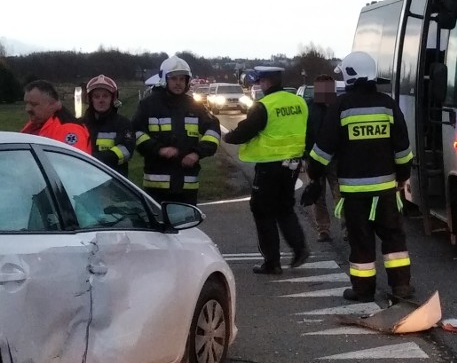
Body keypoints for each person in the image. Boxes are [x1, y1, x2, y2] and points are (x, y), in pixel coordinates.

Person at [307, 52, 414, 303]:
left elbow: (323, 150)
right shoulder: (387, 105)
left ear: (350, 75)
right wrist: (403, 176)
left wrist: (314, 176)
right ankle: (401, 287)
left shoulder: (341, 107)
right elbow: (403, 148)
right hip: (387, 190)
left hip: (355, 194)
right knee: (394, 239)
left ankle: (363, 291)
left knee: (361, 241)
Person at [223, 66, 309, 274]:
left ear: (267, 82)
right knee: (285, 208)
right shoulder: (299, 102)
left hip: (269, 166)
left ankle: (272, 262)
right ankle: (299, 248)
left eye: (260, 82)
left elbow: (246, 131)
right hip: (292, 164)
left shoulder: (263, 105)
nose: (259, 86)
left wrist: (227, 137)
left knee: (262, 211)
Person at [132, 55, 220, 205]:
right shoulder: (148, 105)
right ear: (164, 79)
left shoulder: (195, 106)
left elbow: (213, 131)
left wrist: (197, 153)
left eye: (182, 79)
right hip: (156, 185)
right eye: (174, 79)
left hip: (188, 185)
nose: (178, 83)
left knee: (187, 226)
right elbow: (136, 132)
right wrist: (158, 150)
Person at [303, 74, 346, 242]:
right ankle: (323, 229)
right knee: (317, 195)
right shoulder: (309, 108)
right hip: (314, 159)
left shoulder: (339, 107)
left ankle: (346, 229)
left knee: (340, 195)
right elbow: (305, 133)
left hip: (335, 159)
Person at [82, 74, 135, 176]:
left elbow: (126, 151)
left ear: (112, 99)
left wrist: (93, 159)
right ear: (90, 100)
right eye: (96, 96)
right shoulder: (80, 124)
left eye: (105, 96)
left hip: (113, 182)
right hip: (86, 180)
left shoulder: (123, 124)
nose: (101, 100)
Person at [21, 80, 91, 153]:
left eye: (34, 104)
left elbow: (73, 162)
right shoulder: (35, 124)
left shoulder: (69, 129)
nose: (27, 109)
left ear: (52, 104)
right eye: (26, 103)